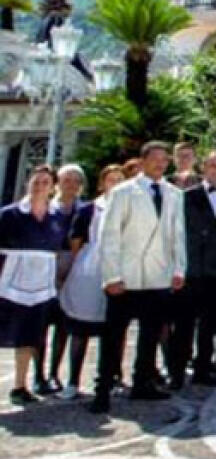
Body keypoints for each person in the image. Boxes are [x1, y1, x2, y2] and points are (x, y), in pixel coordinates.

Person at [90, 142, 187, 413]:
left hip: (158, 275)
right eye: (155, 159)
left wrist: (179, 269)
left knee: (151, 334)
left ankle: (143, 382)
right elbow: (109, 235)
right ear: (143, 162)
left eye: (165, 160)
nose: (160, 164)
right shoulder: (123, 192)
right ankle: (103, 389)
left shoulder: (174, 194)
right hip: (126, 277)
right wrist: (111, 276)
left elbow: (177, 234)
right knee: (113, 337)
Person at [0, 166, 70, 405]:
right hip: (9, 282)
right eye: (36, 182)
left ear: (52, 188)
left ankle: (20, 385)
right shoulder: (9, 215)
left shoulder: (57, 217)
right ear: (27, 184)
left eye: (45, 182)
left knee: (29, 336)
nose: (39, 187)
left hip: (41, 285)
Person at [169, 151, 216, 389]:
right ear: (203, 168)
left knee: (209, 324)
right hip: (191, 269)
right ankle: (176, 373)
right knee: (183, 325)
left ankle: (203, 370)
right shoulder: (186, 196)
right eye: (212, 165)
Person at [58, 164, 124, 400]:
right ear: (102, 183)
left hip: (119, 270)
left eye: (120, 180)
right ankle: (73, 381)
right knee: (80, 329)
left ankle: (111, 378)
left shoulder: (130, 208)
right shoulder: (89, 209)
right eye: (111, 180)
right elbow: (76, 242)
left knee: (113, 330)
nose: (115, 184)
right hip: (89, 271)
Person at [32, 164, 87, 396]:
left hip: (74, 270)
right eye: (66, 180)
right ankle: (38, 375)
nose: (71, 185)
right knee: (41, 326)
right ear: (57, 183)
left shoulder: (85, 210)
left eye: (76, 181)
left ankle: (54, 372)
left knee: (64, 327)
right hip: (46, 270)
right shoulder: (44, 208)